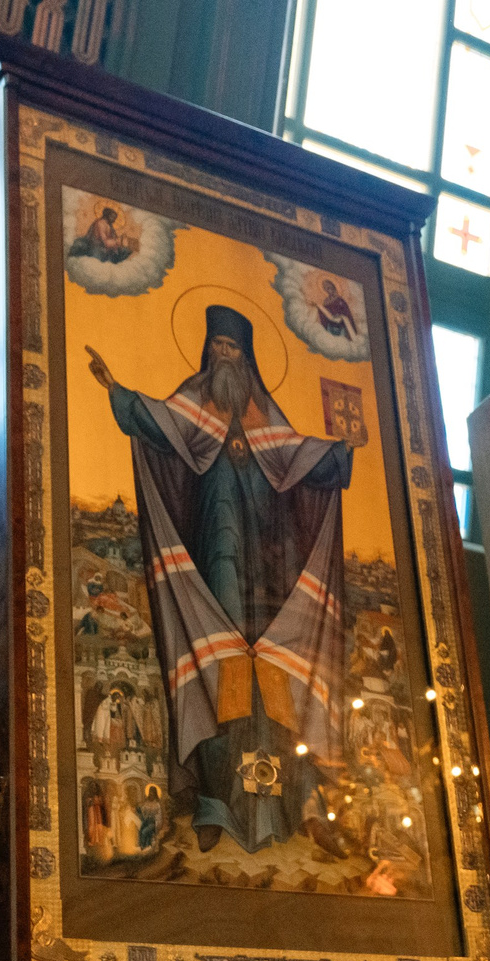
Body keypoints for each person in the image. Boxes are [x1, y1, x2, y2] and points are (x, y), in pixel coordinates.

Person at [87, 305, 356, 857]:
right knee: (220, 676)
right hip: (216, 572)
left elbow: (302, 457)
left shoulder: (266, 420)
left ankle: (292, 808)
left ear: (248, 358)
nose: (221, 356)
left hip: (271, 583)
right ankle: (214, 805)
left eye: (231, 349)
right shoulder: (197, 410)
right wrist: (118, 391)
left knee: (278, 681)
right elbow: (159, 421)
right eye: (215, 348)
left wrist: (340, 453)